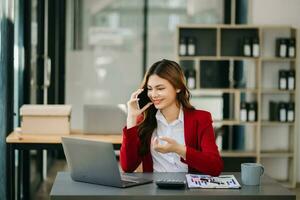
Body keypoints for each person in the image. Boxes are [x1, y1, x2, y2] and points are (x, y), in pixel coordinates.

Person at [120, 59, 223, 176]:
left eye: (160, 88)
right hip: (154, 190)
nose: (153, 95)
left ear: (178, 87)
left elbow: (215, 167)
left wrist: (179, 149)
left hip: (188, 190)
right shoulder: (145, 120)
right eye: (150, 88)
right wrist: (131, 117)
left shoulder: (201, 119)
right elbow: (127, 167)